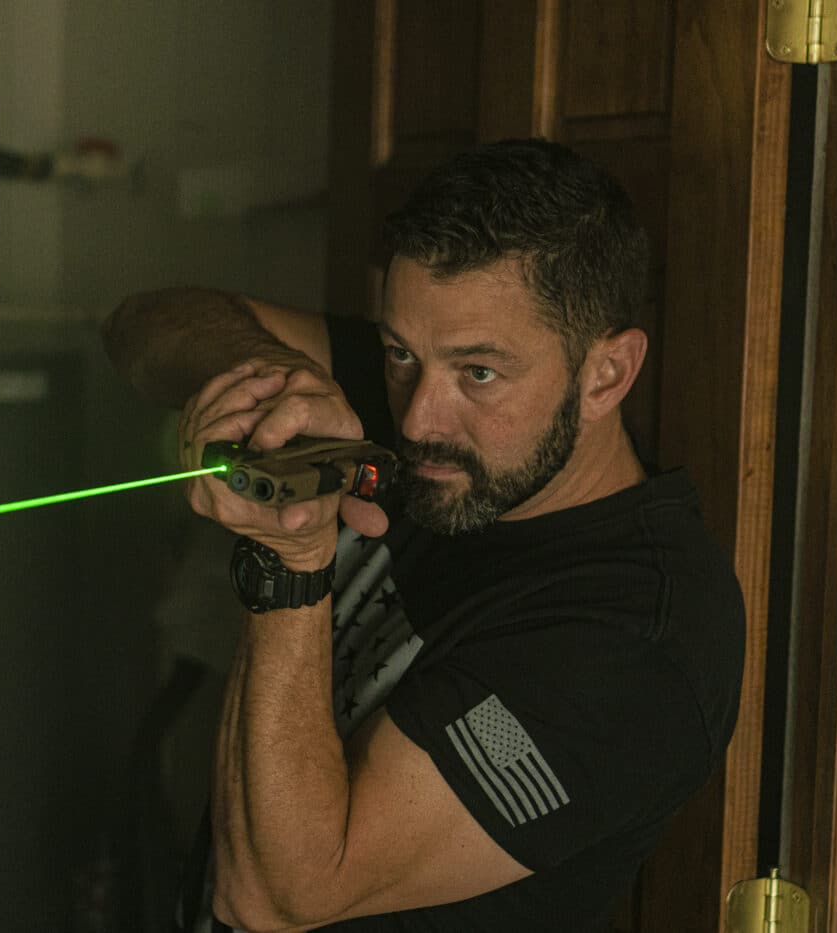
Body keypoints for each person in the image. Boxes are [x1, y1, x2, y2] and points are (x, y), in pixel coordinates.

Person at [101, 138, 745, 933]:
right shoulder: (430, 408)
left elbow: (277, 897)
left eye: (480, 372)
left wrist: (293, 564)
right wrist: (273, 375)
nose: (416, 418)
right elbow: (143, 326)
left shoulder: (636, 641)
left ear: (606, 373)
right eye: (402, 351)